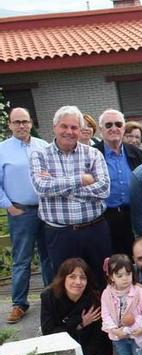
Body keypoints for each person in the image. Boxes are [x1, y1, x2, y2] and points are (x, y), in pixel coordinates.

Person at [31, 105, 111, 285]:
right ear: (54, 127)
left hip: (94, 230)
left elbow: (104, 189)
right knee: (65, 285)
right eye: (64, 126)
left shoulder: (93, 154)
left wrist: (58, 185)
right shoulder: (39, 155)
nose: (69, 131)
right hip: (60, 234)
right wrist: (82, 179)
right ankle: (72, 315)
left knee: (101, 280)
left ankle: (102, 313)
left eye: (74, 127)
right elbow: (41, 187)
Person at [1, 107, 52, 324]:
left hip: (46, 209)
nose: (21, 125)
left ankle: (51, 298)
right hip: (21, 212)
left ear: (31, 123)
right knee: (22, 260)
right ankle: (19, 304)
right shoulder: (2, 150)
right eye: (17, 122)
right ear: (10, 125)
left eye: (25, 121)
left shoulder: (44, 147)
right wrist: (9, 207)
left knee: (49, 257)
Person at [40, 258, 111, 355]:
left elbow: (98, 338)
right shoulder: (49, 297)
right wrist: (80, 323)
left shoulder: (94, 300)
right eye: (72, 277)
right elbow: (49, 332)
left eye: (83, 278)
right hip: (61, 348)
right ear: (63, 279)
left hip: (90, 350)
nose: (78, 282)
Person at [94, 108, 142, 256]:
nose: (114, 128)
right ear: (101, 130)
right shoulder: (91, 155)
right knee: (109, 262)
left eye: (118, 124)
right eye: (108, 125)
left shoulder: (137, 154)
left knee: (136, 259)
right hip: (104, 218)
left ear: (124, 128)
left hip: (133, 217)